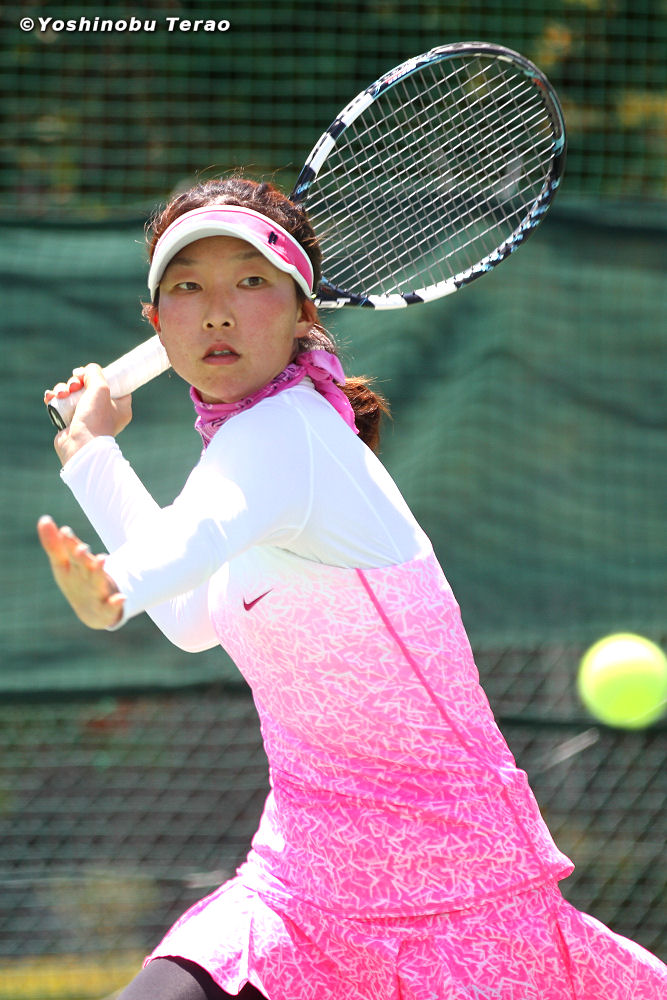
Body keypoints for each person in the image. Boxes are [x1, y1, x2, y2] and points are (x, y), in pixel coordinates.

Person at [39, 178, 666, 1000]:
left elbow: (180, 549)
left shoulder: (287, 432)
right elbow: (190, 617)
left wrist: (113, 585)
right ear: (157, 323)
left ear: (302, 313)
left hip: (454, 894)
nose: (217, 312)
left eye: (250, 281)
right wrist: (91, 457)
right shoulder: (247, 445)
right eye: (187, 287)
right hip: (302, 891)